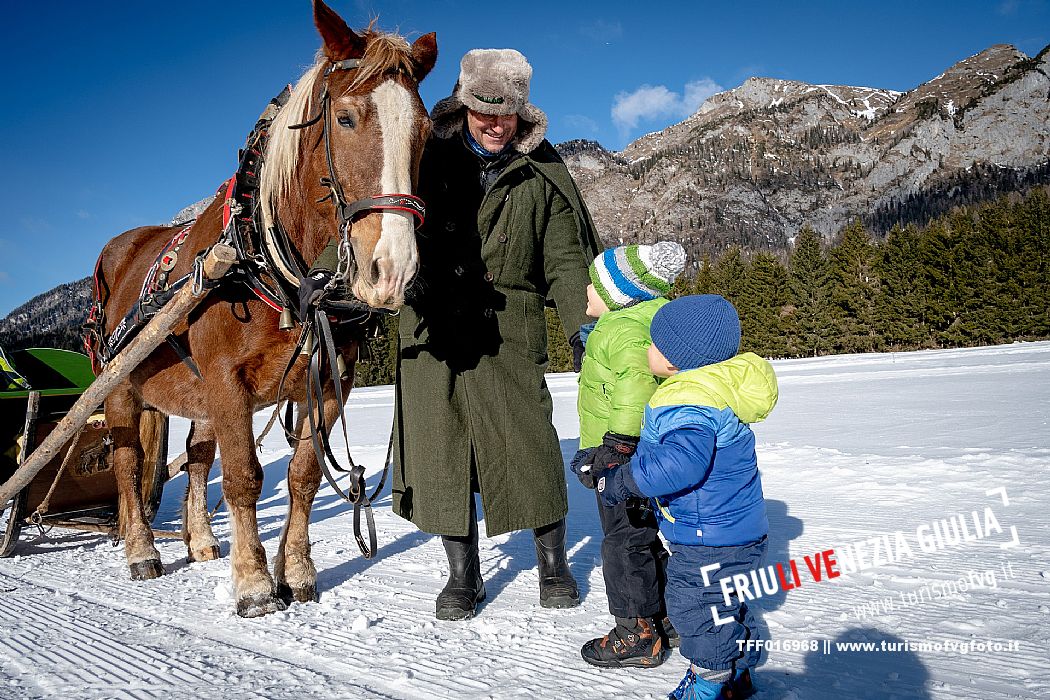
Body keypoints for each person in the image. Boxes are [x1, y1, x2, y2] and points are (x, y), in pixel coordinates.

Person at [390, 48, 602, 620]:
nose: (492, 123)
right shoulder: (421, 160)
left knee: (528, 443)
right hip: (431, 324)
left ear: (521, 115)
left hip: (511, 325)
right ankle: (463, 574)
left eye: (503, 114)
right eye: (482, 110)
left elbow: (563, 261)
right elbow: (378, 218)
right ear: (463, 107)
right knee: (441, 449)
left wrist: (585, 329)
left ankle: (552, 563)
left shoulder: (541, 173)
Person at [594, 295, 778, 700]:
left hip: (706, 537)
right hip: (739, 530)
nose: (647, 350)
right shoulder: (717, 387)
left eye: (654, 344)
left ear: (677, 359)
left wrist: (622, 481)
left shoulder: (687, 400)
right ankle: (738, 674)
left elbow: (681, 464)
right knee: (727, 603)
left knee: (696, 607)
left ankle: (709, 682)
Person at [570, 241, 686, 669]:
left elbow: (635, 385)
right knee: (644, 533)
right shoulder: (637, 322)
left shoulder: (624, 329)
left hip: (621, 455)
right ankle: (665, 614)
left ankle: (636, 630)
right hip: (641, 451)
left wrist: (615, 447)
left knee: (623, 539)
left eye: (596, 283)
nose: (586, 288)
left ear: (621, 295)